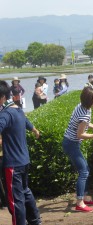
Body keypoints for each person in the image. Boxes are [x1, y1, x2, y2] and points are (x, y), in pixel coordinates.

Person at [0, 80, 41, 224]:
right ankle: (35, 221)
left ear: (2, 97)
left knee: (15, 200)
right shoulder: (17, 109)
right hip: (24, 160)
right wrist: (35, 130)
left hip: (12, 164)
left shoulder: (5, 114)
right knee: (25, 192)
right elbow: (26, 122)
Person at [62, 86, 93, 212]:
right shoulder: (84, 114)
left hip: (71, 142)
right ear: (89, 101)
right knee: (84, 172)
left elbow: (85, 124)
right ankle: (80, 203)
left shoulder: (83, 107)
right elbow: (80, 135)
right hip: (71, 144)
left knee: (85, 169)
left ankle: (85, 198)